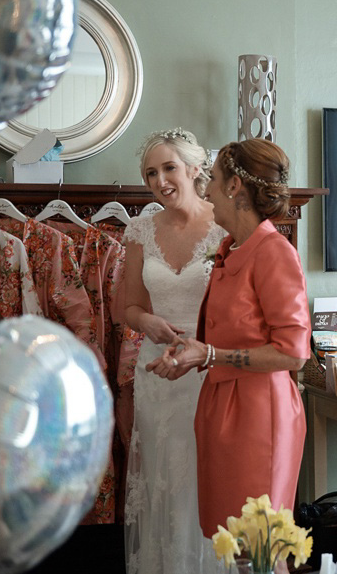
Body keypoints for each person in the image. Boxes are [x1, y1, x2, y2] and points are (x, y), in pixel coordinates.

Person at [146, 139, 310, 554]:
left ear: (235, 186)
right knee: (233, 544)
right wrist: (190, 350)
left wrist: (212, 355)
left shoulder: (274, 252)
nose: (206, 189)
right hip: (221, 407)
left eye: (214, 179)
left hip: (260, 414)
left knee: (260, 546)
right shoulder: (228, 250)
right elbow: (225, 333)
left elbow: (293, 352)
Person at [121, 128, 226, 574]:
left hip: (209, 369)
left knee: (207, 479)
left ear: (194, 168)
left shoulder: (226, 226)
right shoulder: (140, 229)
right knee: (164, 481)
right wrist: (145, 321)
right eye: (150, 173)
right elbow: (124, 306)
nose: (159, 180)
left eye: (168, 168)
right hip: (157, 372)